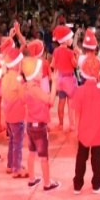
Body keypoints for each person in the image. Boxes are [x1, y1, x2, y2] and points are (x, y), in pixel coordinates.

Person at [71, 54, 100, 195]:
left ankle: (77, 184)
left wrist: (76, 128)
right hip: (99, 130)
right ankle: (96, 184)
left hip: (83, 130)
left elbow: (77, 112)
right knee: (97, 159)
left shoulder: (80, 90)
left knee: (81, 157)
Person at [24, 55, 60, 191]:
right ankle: (47, 183)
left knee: (31, 153)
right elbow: (50, 100)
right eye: (39, 71)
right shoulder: (35, 89)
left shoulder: (27, 86)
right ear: (33, 74)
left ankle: (32, 179)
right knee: (44, 157)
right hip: (39, 126)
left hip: (30, 124)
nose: (41, 73)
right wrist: (54, 82)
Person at [1, 46, 28, 177]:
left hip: (8, 116)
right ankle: (17, 169)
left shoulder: (5, 77)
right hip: (17, 116)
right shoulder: (18, 79)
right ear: (17, 63)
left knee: (12, 141)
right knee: (18, 143)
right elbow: (23, 99)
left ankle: (10, 164)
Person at [51, 25, 79, 132]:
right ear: (66, 40)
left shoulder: (56, 51)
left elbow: (53, 64)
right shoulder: (70, 52)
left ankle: (61, 124)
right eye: (71, 38)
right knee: (71, 103)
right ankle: (72, 125)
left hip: (60, 79)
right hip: (69, 80)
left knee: (61, 102)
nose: (72, 40)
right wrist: (77, 55)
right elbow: (75, 65)